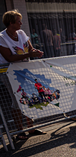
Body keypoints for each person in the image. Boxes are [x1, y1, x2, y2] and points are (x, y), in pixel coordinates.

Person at [0, 10, 45, 140]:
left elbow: (29, 48)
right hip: (9, 72)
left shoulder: (21, 33)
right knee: (17, 101)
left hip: (25, 70)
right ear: (10, 22)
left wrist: (35, 52)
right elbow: (9, 57)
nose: (21, 23)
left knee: (30, 97)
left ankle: (31, 128)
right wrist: (29, 55)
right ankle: (20, 131)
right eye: (18, 21)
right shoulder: (2, 37)